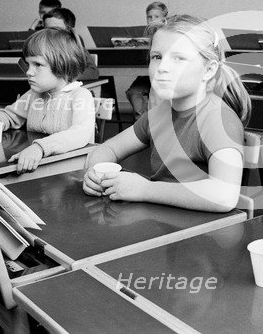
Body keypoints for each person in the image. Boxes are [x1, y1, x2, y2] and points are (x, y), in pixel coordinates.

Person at [82, 15, 252, 212]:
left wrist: (145, 189)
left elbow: (223, 195)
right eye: (157, 57)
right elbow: (108, 149)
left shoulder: (218, 119)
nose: (162, 68)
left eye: (178, 58)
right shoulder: (158, 115)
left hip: (206, 231)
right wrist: (94, 173)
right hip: (162, 221)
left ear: (208, 70)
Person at [0, 28, 96, 174]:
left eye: (37, 64)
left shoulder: (81, 96)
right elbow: (8, 115)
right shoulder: (33, 95)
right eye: (28, 64)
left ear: (63, 64)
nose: (28, 72)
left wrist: (40, 148)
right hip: (38, 168)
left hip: (72, 172)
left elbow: (80, 134)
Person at [126, 1, 169, 119]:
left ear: (165, 19)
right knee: (133, 92)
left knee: (157, 95)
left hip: (162, 77)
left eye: (156, 17)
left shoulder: (168, 36)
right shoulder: (146, 36)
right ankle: (143, 123)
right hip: (148, 77)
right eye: (149, 17)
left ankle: (148, 125)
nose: (152, 20)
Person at [42, 7, 100, 80]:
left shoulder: (75, 42)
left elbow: (93, 71)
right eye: (47, 29)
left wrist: (63, 78)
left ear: (70, 31)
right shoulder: (40, 43)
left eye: (56, 29)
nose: (51, 33)